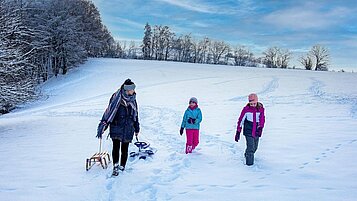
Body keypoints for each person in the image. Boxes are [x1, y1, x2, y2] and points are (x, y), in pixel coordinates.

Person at [97, 79, 140, 176]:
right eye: (132, 89)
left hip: (128, 128)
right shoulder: (116, 98)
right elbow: (110, 112)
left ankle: (122, 166)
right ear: (127, 90)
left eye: (133, 89)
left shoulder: (133, 99)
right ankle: (115, 166)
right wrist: (105, 125)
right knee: (116, 147)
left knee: (125, 148)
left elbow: (136, 115)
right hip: (117, 126)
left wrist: (137, 128)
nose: (133, 91)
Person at [235, 93, 265, 166]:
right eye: (251, 104)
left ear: (257, 101)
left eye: (254, 103)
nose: (252, 105)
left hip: (257, 131)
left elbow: (262, 119)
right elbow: (241, 120)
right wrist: (238, 131)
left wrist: (261, 127)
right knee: (250, 147)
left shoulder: (260, 109)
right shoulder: (246, 109)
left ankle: (247, 154)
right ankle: (249, 165)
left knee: (255, 147)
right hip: (248, 130)